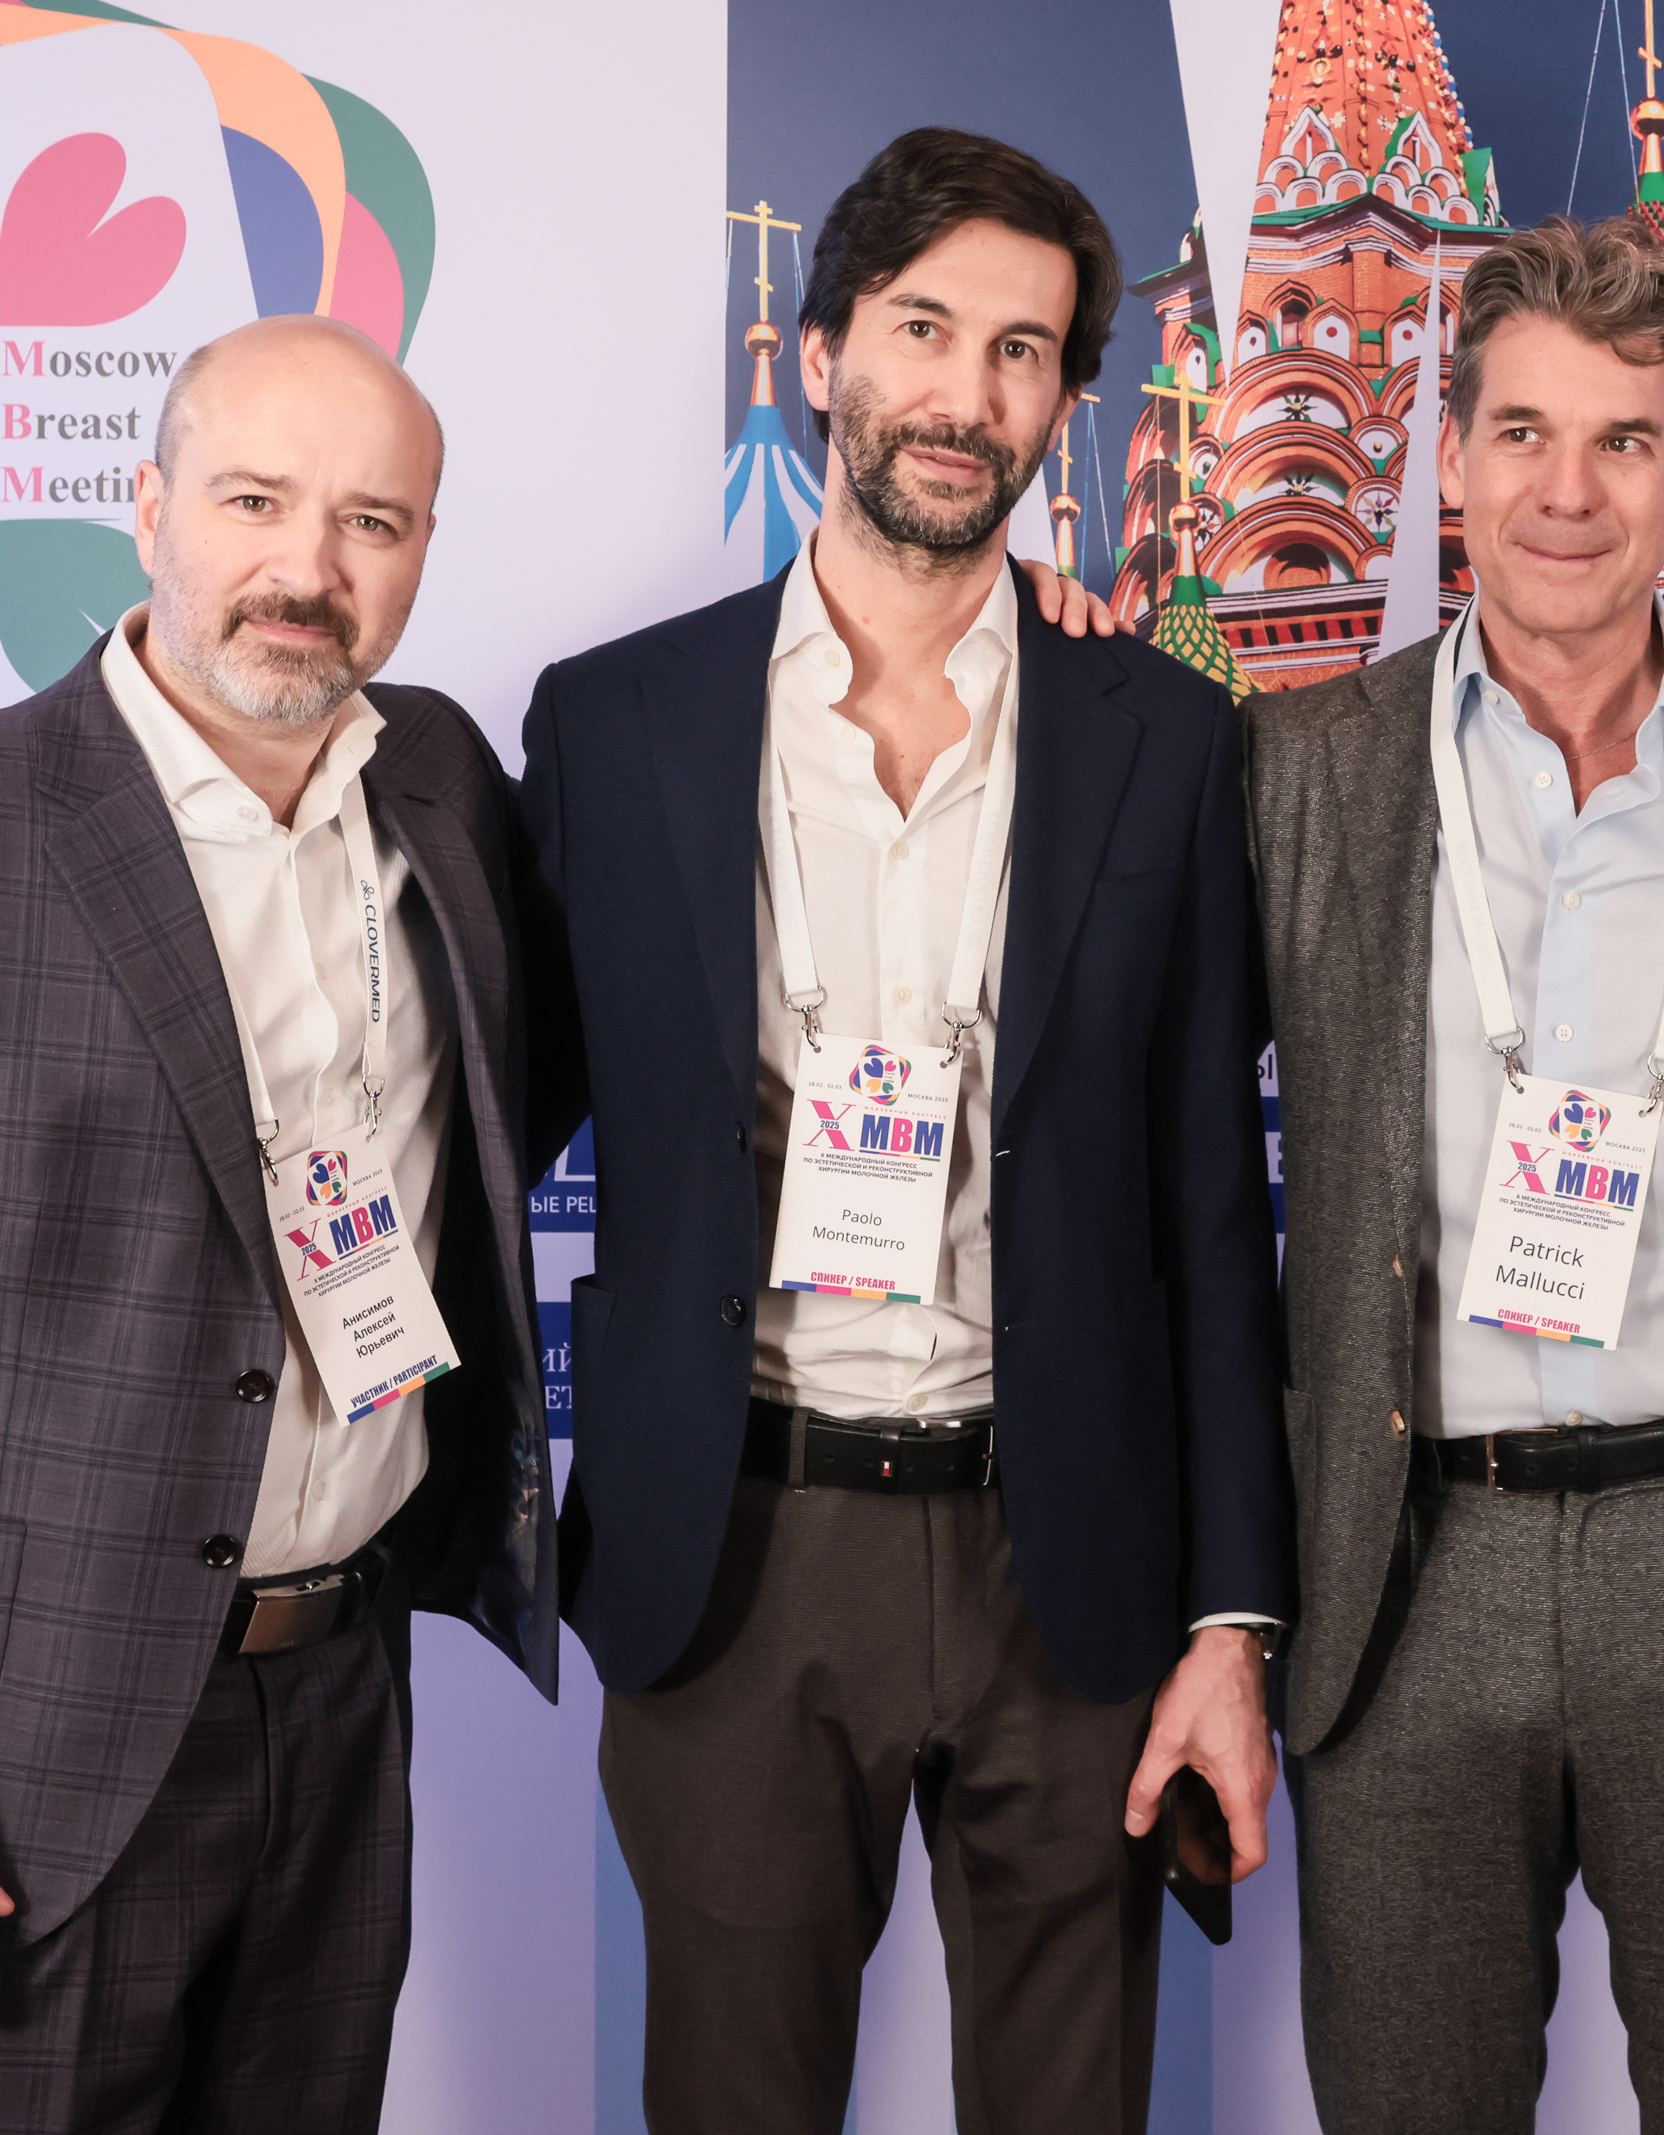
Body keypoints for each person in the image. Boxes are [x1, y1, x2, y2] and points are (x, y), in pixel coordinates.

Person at [0, 316, 557, 2132]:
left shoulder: (444, 783)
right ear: (146, 508)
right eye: (253, 501)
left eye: (372, 522)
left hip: (343, 1702)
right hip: (25, 1760)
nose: (308, 571)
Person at [518, 126, 1294, 2135]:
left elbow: (1212, 1215)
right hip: (737, 1551)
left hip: (1074, 1556)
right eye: (925, 329)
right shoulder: (613, 725)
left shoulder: (1164, 735)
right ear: (821, 354)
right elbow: (484, 1114)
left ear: (1065, 400)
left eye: (1023, 351)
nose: (968, 393)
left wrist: (1230, 1617)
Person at [1239, 214, 1664, 2134]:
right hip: (1401, 1564)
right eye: (1523, 432)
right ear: (1453, 455)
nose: (1567, 492)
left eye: (1625, 440)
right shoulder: (1292, 774)